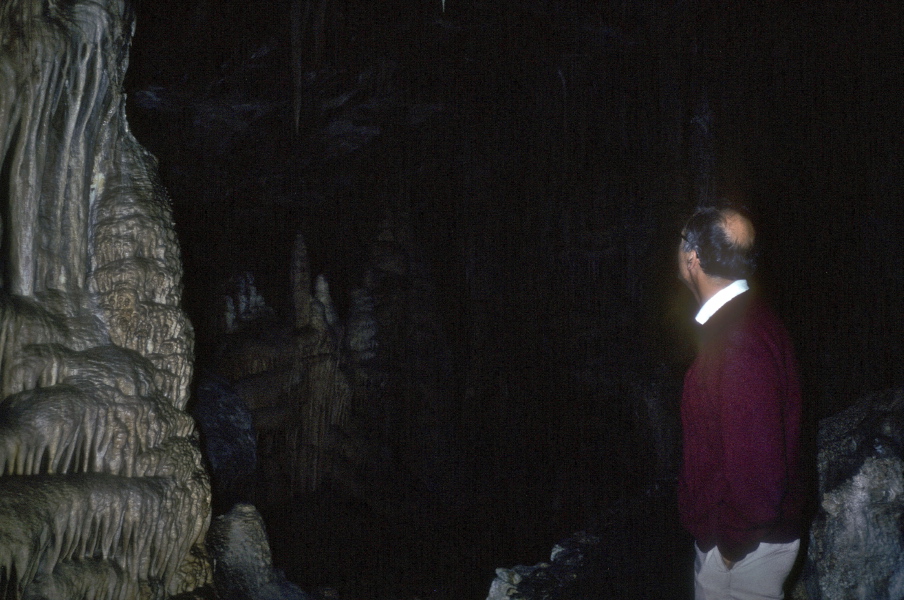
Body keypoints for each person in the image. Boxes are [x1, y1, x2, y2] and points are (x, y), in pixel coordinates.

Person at [675, 206, 806, 600]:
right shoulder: (747, 321)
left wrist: (731, 546)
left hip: (744, 553)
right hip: (747, 541)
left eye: (680, 243)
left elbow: (758, 472)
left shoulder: (738, 343)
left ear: (692, 257)